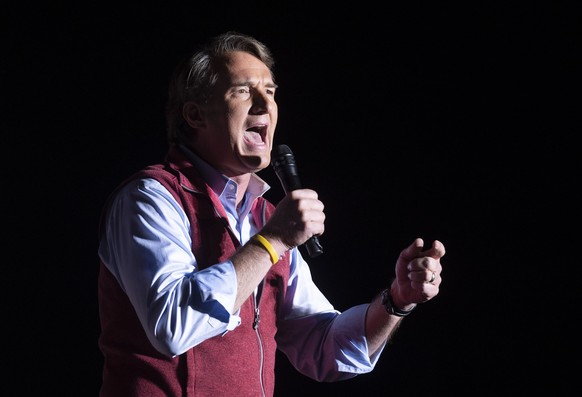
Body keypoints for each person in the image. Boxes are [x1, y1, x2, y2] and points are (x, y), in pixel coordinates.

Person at [96, 30, 445, 397]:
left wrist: (396, 300)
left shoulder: (267, 217)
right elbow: (172, 325)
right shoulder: (150, 198)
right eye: (243, 90)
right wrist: (272, 241)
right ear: (195, 115)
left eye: (271, 91)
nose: (265, 104)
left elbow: (324, 348)